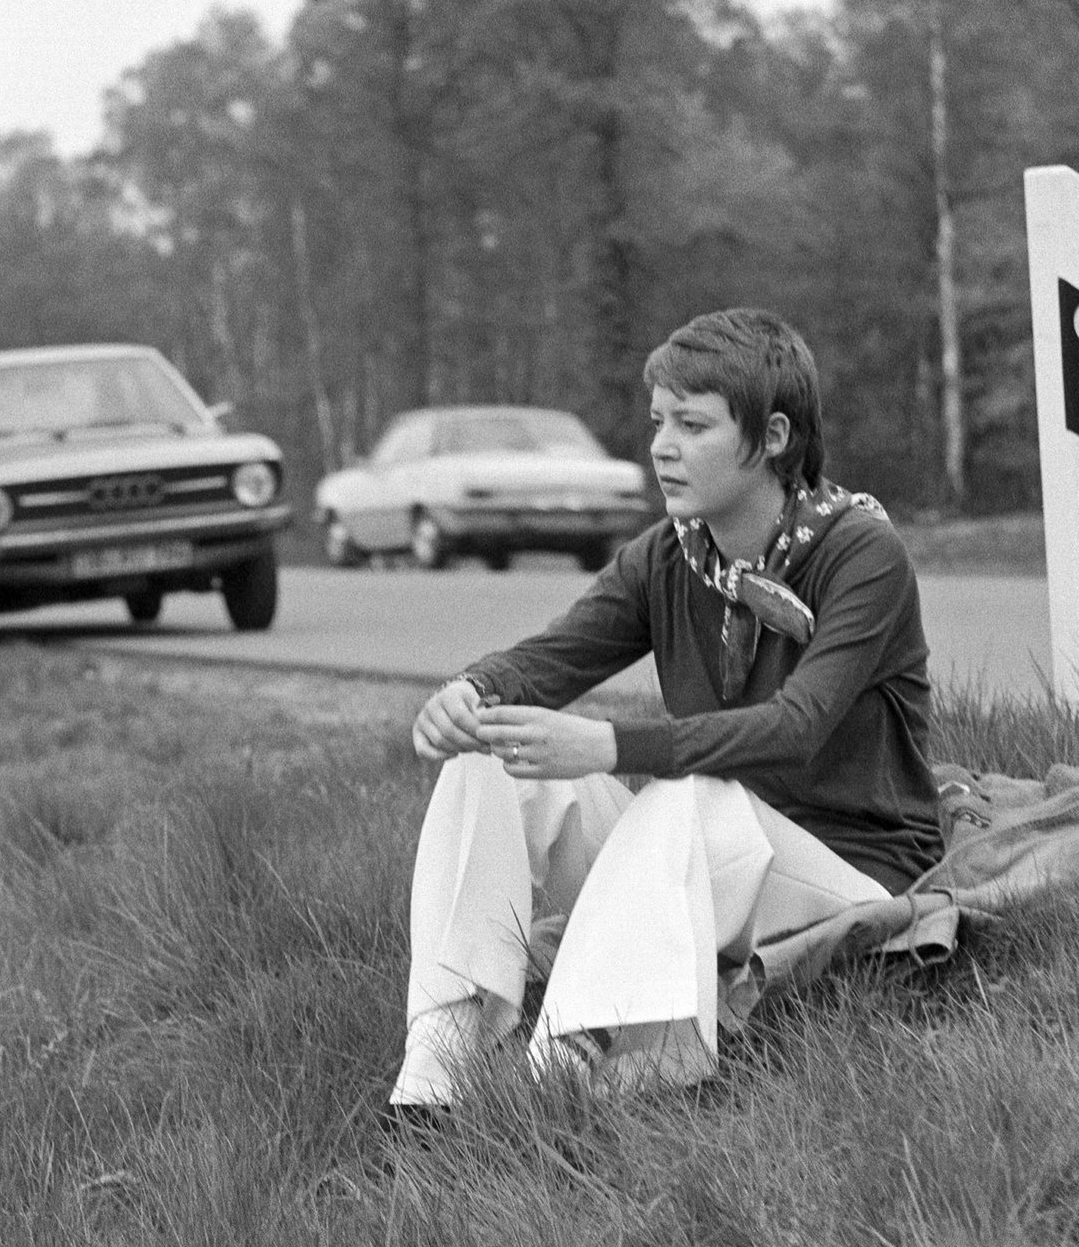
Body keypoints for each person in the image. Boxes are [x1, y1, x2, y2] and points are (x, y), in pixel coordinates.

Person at [389, 307, 945, 1110]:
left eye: (692, 424)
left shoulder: (861, 554)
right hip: (704, 856)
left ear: (775, 436)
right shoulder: (670, 552)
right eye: (658, 421)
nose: (661, 446)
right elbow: (555, 655)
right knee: (487, 753)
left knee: (690, 791)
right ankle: (438, 1068)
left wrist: (611, 746)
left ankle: (563, 1074)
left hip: (847, 874)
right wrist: (472, 694)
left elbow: (796, 729)